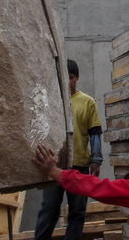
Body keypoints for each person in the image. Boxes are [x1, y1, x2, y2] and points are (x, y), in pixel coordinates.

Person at [33, 59, 104, 240]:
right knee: (49, 209)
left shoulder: (87, 102)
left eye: (71, 78)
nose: (67, 82)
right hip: (54, 166)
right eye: (64, 78)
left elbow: (95, 133)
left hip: (79, 165)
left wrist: (96, 161)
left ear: (77, 78)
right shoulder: (50, 101)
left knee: (77, 212)